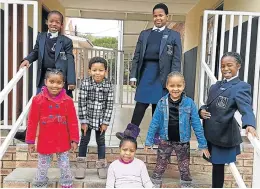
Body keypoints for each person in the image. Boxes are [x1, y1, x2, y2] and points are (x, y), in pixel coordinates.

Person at [116, 3, 182, 143]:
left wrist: (174, 80)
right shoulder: (145, 34)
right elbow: (137, 55)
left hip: (164, 75)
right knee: (141, 103)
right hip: (146, 72)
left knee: (159, 106)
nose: (158, 18)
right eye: (155, 16)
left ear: (167, 17)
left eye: (161, 15)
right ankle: (130, 133)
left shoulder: (174, 35)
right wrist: (133, 75)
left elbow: (176, 60)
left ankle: (157, 136)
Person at [15, 10, 76, 142]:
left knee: (63, 108)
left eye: (57, 22)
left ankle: (68, 135)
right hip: (44, 77)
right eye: (51, 21)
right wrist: (27, 60)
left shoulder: (66, 41)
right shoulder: (41, 37)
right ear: (47, 22)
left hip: (59, 79)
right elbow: (36, 51)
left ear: (61, 25)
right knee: (38, 105)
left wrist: (71, 81)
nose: (54, 24)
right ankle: (28, 134)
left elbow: (70, 59)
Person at [199, 52, 258, 188]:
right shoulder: (215, 86)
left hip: (224, 134)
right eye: (222, 66)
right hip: (210, 133)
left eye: (229, 65)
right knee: (215, 165)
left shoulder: (241, 87)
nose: (225, 69)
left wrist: (249, 124)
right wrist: (201, 110)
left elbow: (246, 108)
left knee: (219, 166)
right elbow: (209, 105)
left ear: (238, 66)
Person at [145, 72, 210, 188]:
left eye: (179, 86)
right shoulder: (161, 103)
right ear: (167, 86)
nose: (175, 89)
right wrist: (148, 140)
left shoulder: (189, 103)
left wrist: (203, 144)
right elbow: (154, 122)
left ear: (184, 85)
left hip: (183, 141)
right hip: (165, 140)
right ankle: (155, 181)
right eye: (172, 86)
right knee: (161, 162)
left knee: (184, 165)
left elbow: (196, 124)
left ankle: (186, 183)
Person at [25, 68, 79, 188]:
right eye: (52, 82)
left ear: (63, 84)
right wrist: (30, 141)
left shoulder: (68, 101)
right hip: (45, 139)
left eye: (59, 82)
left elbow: (73, 122)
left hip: (63, 139)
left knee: (64, 165)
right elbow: (32, 122)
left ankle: (66, 183)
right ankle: (40, 183)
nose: (55, 85)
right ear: (46, 82)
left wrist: (74, 139)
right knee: (43, 165)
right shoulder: (37, 100)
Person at [76, 57, 114, 179]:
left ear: (106, 72)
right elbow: (82, 103)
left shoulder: (108, 85)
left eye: (101, 70)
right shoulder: (85, 84)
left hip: (101, 121)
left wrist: (105, 122)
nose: (97, 73)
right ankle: (81, 166)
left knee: (101, 142)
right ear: (89, 71)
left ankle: (101, 165)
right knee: (84, 141)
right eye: (94, 70)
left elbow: (109, 105)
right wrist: (83, 121)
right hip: (87, 120)